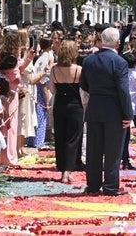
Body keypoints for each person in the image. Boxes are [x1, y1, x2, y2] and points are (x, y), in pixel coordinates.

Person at [80, 27, 133, 196]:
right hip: (114, 110)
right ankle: (110, 186)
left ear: (102, 41)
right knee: (113, 150)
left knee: (93, 150)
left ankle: (93, 185)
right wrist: (128, 114)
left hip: (95, 107)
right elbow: (123, 91)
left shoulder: (89, 60)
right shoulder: (120, 62)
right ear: (118, 43)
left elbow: (84, 84)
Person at [49, 39, 84, 184]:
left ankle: (61, 165)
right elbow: (83, 89)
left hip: (60, 104)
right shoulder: (78, 70)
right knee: (73, 138)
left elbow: (52, 90)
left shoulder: (54, 69)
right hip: (75, 105)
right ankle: (68, 170)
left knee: (60, 136)